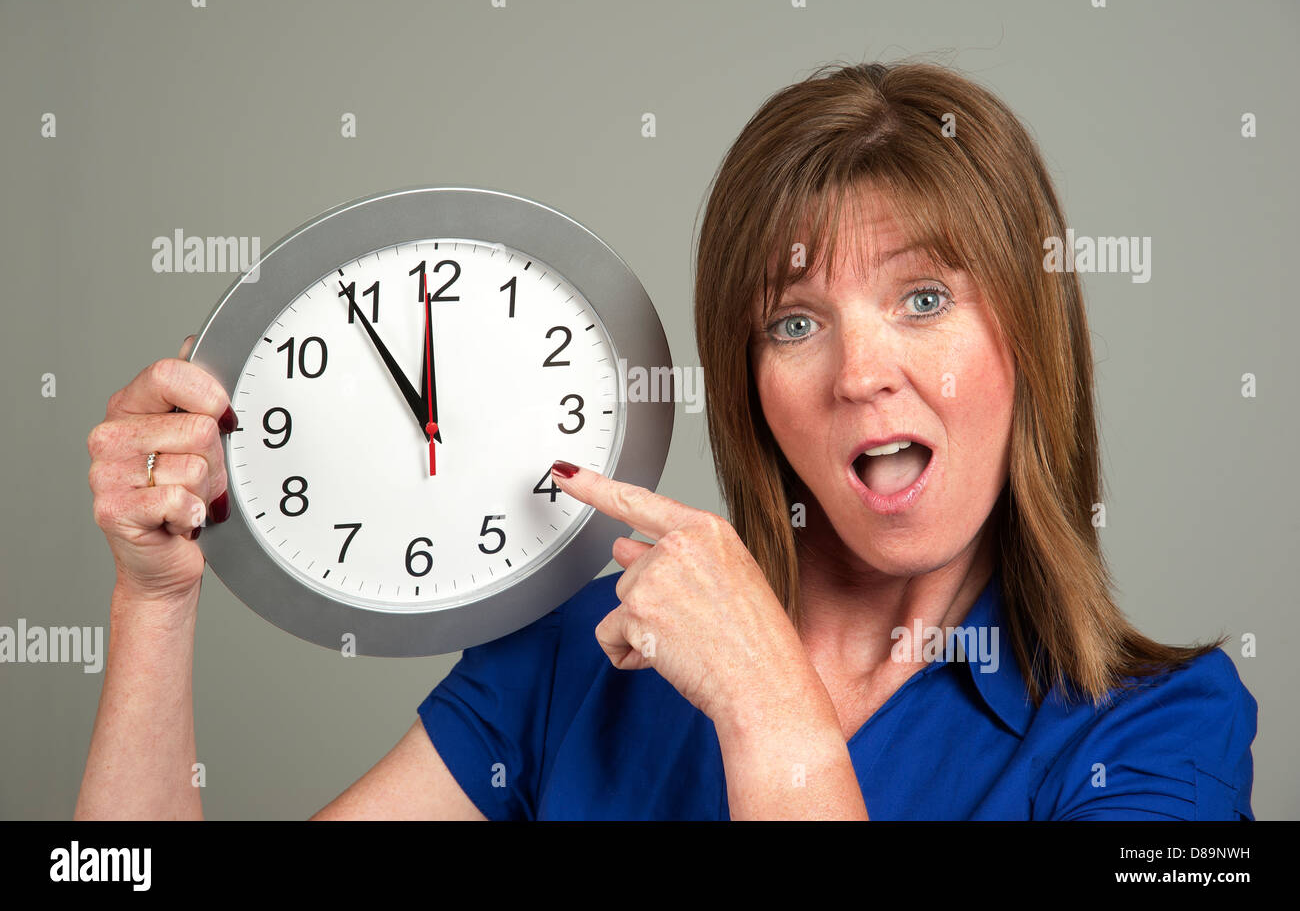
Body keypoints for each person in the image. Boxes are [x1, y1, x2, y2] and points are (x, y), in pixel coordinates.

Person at [77, 60, 1256, 820]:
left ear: (1028, 338)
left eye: (923, 299)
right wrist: (155, 601)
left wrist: (770, 715)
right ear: (749, 386)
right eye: (794, 321)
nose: (859, 372)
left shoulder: (1166, 733)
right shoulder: (573, 655)